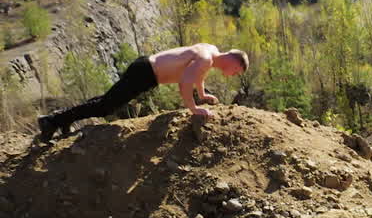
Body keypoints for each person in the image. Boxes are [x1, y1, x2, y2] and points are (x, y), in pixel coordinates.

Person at [37, 43, 248, 140]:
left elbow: (196, 77)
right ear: (232, 60)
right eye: (235, 71)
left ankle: (62, 119)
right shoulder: (206, 59)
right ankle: (52, 121)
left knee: (106, 101)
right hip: (145, 73)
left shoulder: (210, 51)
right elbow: (185, 82)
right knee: (105, 107)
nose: (231, 75)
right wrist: (193, 108)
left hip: (145, 69)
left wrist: (202, 95)